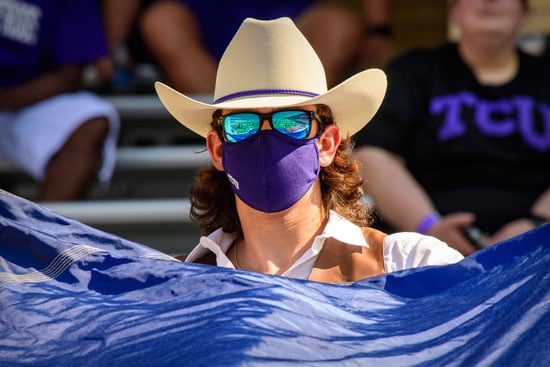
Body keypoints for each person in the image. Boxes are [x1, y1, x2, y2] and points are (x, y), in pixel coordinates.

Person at [154, 17, 462, 283]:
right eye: (242, 124)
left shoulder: (410, 264)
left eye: (291, 121)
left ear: (327, 144)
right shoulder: (174, 285)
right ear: (217, 150)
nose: (266, 136)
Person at [353, 0, 550, 255]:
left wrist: (537, 225)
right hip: (425, 252)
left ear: (524, 13)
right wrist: (431, 230)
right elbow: (372, 154)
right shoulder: (416, 71)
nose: (489, 1)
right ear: (454, 11)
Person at [98, 0, 394, 94]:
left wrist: (377, 30)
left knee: (338, 24)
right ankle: (228, 132)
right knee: (161, 21)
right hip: (200, 23)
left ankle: (294, 129)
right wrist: (110, 47)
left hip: (288, 20)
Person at [0, 0, 120, 201]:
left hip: (23, 100)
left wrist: (5, 99)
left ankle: (39, 230)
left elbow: (69, 75)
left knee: (92, 119)